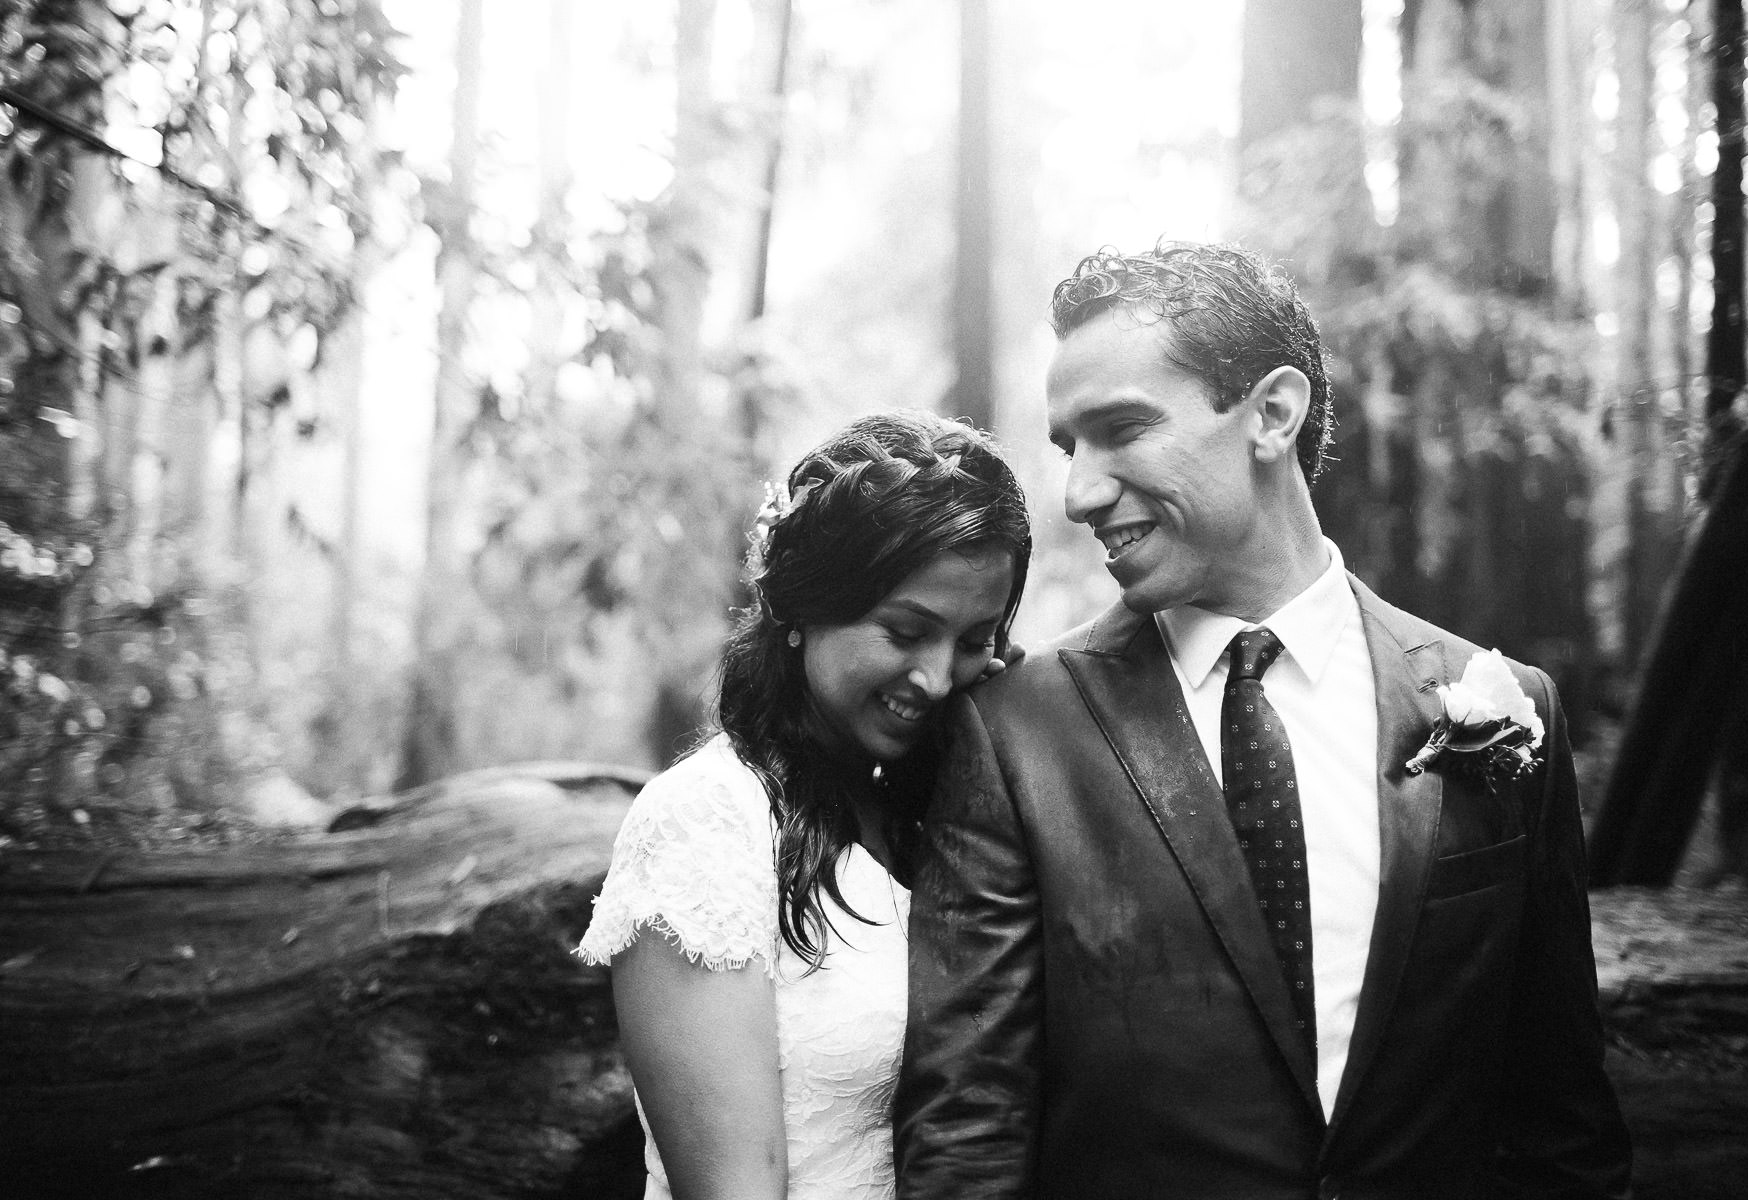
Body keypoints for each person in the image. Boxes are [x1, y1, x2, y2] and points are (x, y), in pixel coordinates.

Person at [896, 243, 1633, 1198]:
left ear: (1272, 415)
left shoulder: (1504, 708)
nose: (1078, 492)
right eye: (1069, 447)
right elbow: (970, 1129)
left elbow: (1560, 1118)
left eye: (1121, 429)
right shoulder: (1014, 732)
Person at [576, 410, 1032, 1200]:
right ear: (803, 609)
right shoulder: (708, 818)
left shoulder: (931, 812)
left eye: (970, 641)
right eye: (904, 632)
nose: (935, 677)